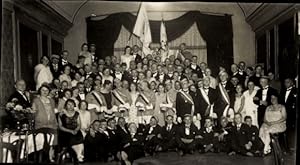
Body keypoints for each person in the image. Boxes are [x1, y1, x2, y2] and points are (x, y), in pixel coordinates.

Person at [32, 84, 58, 162]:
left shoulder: (52, 100)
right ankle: (42, 158)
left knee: (52, 142)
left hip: (51, 124)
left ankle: (50, 157)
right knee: (42, 142)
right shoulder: (36, 100)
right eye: (43, 90)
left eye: (46, 90)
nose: (45, 92)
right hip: (41, 125)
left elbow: (53, 112)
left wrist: (55, 122)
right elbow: (33, 112)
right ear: (40, 91)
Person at [279, 78, 297, 152]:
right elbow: (280, 101)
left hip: (292, 114)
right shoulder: (283, 91)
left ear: (292, 82)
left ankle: (291, 147)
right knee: (284, 130)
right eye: (285, 82)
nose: (286, 83)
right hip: (283, 113)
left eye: (288, 82)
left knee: (291, 131)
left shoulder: (296, 90)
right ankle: (285, 147)